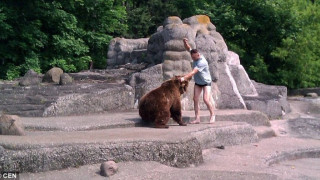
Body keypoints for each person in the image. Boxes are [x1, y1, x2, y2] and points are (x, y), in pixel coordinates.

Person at [180, 38, 215, 124]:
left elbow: (193, 72)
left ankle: (213, 115)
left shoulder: (202, 62)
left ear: (198, 55)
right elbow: (189, 48)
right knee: (195, 99)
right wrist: (185, 42)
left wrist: (184, 78)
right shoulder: (194, 53)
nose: (193, 59)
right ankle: (197, 118)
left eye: (194, 58)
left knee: (206, 99)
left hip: (206, 82)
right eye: (192, 57)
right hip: (198, 82)